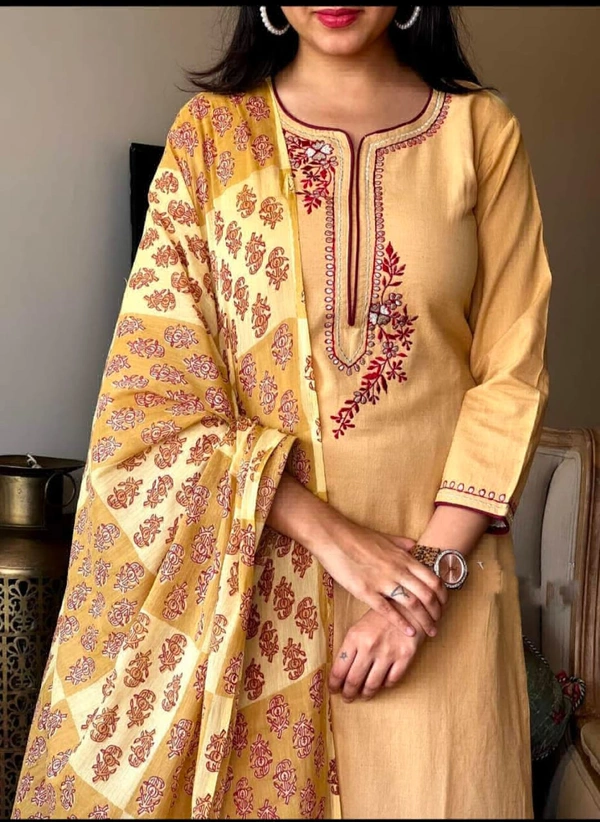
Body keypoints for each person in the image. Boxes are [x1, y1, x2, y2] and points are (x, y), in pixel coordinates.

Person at [12, 5, 552, 819]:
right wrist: (336, 538)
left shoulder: (481, 133)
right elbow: (151, 406)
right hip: (259, 599)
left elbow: (512, 374)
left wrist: (421, 591)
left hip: (444, 595)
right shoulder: (209, 140)